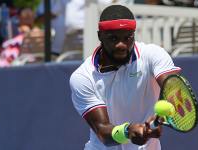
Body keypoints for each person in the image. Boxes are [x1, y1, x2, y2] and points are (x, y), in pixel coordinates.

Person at [69, 5, 181, 150]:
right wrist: (127, 131)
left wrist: (161, 117)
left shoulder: (153, 55)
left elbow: (173, 89)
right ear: (100, 36)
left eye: (127, 38)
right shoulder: (83, 77)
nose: (121, 45)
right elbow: (103, 131)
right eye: (113, 38)